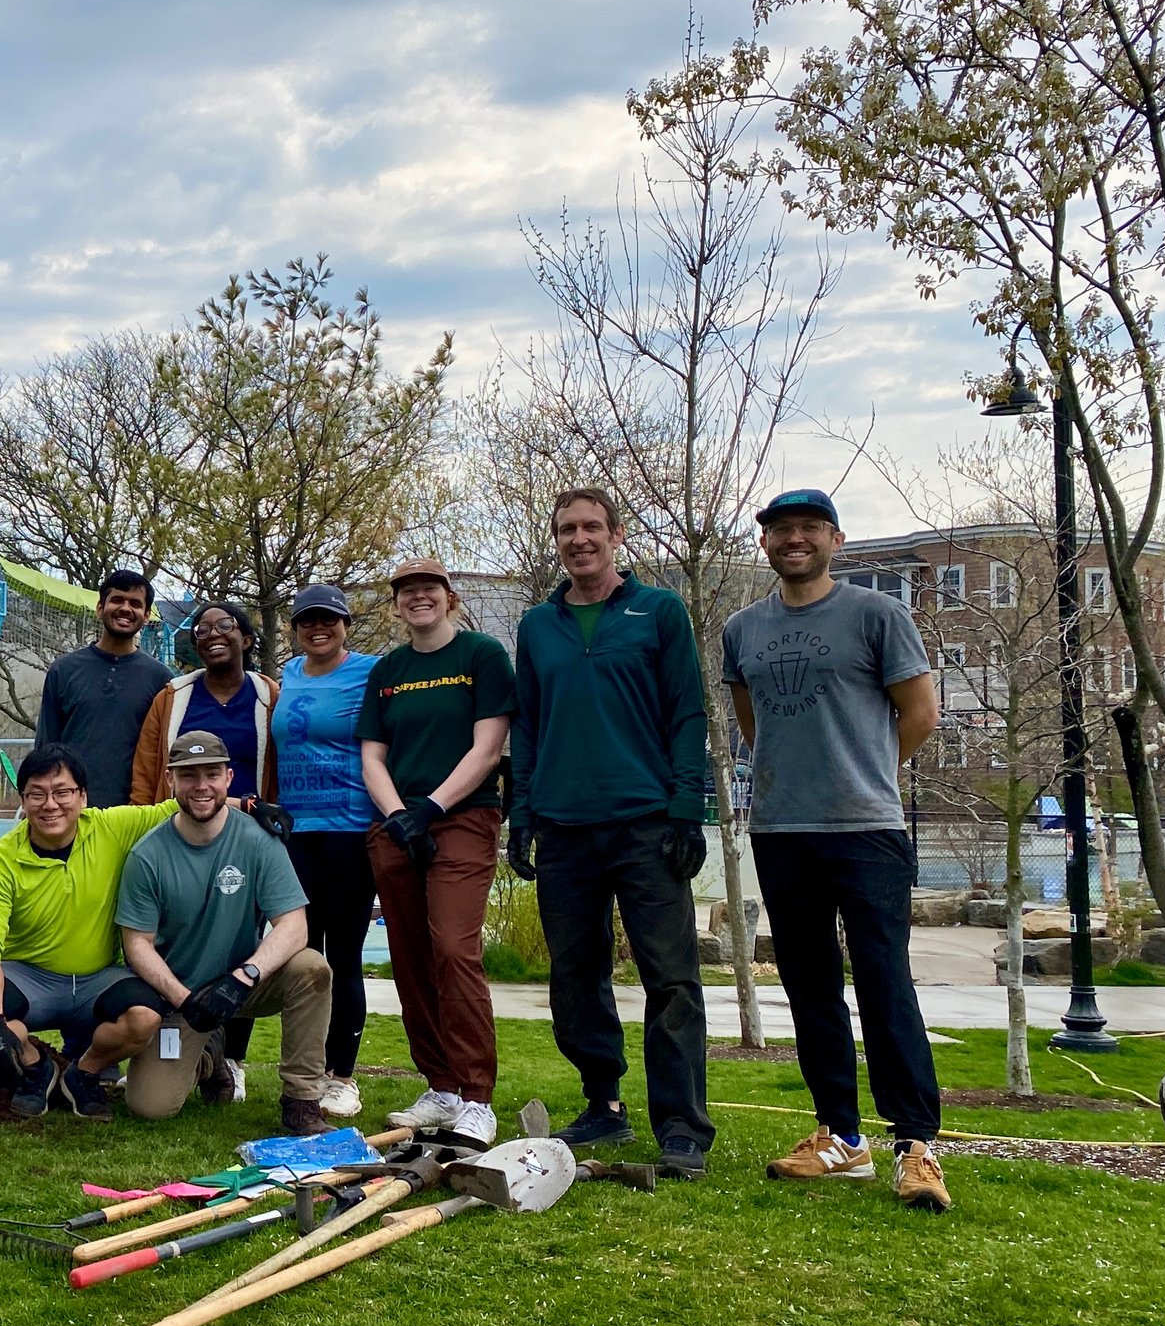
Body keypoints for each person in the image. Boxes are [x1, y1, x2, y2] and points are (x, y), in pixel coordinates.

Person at [724, 489, 949, 1211]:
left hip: (866, 830)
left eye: (808, 529)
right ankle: (840, 1138)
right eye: (780, 530)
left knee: (885, 982)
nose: (794, 539)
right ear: (765, 544)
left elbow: (919, 715)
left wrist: (864, 774)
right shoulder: (741, 629)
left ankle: (916, 1147)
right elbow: (753, 727)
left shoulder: (878, 615)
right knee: (811, 987)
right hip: (782, 831)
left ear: (835, 539)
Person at [506, 488, 715, 1176]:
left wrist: (689, 806)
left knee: (671, 978)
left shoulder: (658, 612)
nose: (579, 538)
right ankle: (605, 1104)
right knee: (575, 975)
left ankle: (681, 1125)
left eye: (592, 526)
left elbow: (687, 713)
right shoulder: (538, 625)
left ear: (617, 535)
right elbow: (529, 725)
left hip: (646, 825)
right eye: (567, 528)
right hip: (565, 828)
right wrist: (523, 812)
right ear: (557, 540)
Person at [358, 558, 514, 1148]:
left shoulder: (481, 656)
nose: (418, 598)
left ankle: (476, 1096)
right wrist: (399, 815)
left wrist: (431, 809)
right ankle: (441, 1085)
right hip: (396, 825)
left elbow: (489, 746)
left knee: (452, 946)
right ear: (396, 605)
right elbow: (373, 754)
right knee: (410, 955)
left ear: (448, 597)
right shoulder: (388, 671)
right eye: (406, 592)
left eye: (429, 589)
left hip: (463, 818)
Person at [116, 731, 333, 1134]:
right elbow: (137, 944)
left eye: (212, 774)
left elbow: (293, 924)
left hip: (245, 981)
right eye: (189, 775)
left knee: (312, 968)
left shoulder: (259, 841)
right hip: (183, 995)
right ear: (171, 781)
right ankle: (208, 1057)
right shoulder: (148, 855)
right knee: (151, 1105)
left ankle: (302, 1100)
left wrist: (244, 976)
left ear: (229, 779)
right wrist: (187, 999)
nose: (201, 786)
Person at [0, 743, 177, 1119]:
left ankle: (83, 1074)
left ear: (82, 796)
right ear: (24, 799)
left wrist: (252, 807)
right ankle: (36, 1067)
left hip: (98, 977)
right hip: (31, 978)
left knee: (145, 1017)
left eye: (62, 792)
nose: (50, 805)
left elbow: (182, 804)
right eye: (37, 794)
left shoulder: (111, 828)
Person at [270, 583, 378, 1119]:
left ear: (345, 625)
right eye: (308, 620)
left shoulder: (370, 672)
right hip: (293, 834)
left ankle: (341, 1076)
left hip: (350, 831)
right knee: (301, 959)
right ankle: (303, 1075)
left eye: (330, 620)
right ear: (295, 626)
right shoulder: (286, 676)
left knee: (343, 957)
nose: (319, 628)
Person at [36, 570, 171, 811]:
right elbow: (46, 745)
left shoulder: (161, 678)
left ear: (146, 615)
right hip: (71, 809)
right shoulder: (64, 670)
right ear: (100, 608)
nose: (126, 609)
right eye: (117, 600)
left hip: (134, 814)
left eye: (135, 604)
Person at [129, 600, 279, 805]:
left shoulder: (270, 699)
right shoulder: (169, 700)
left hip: (253, 828)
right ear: (197, 647)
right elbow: (144, 778)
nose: (214, 634)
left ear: (246, 641)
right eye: (202, 630)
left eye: (225, 625)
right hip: (182, 829)